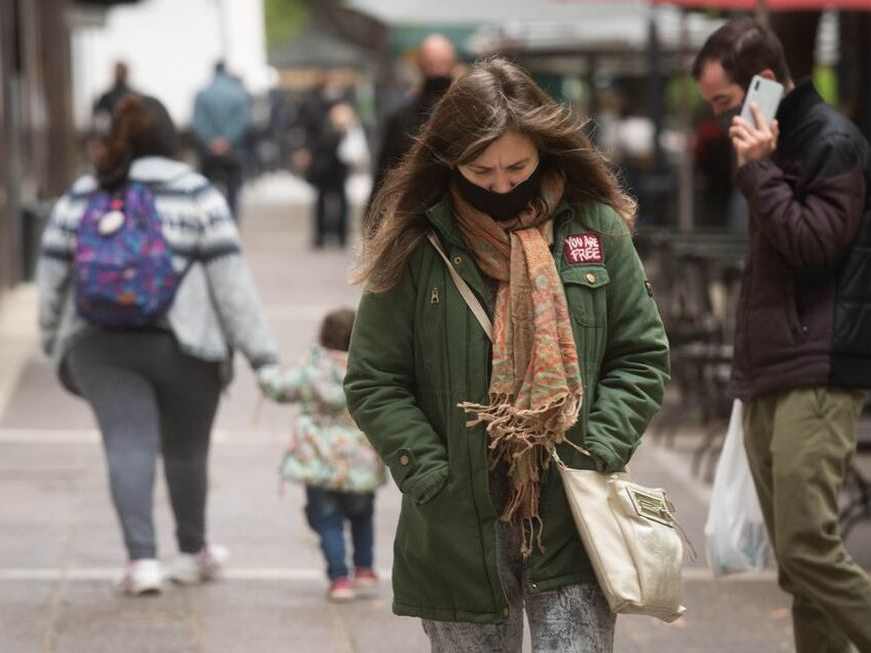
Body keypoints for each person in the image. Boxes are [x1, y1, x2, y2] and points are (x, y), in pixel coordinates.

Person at [344, 57, 670, 652]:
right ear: (448, 160)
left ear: (544, 150)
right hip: (456, 522)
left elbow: (641, 356)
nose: (500, 184)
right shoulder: (418, 242)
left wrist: (597, 448)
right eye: (480, 168)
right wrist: (431, 476)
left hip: (572, 509)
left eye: (517, 166)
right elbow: (373, 379)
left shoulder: (593, 229)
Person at [37, 95, 277, 596]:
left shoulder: (83, 193)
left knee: (128, 444)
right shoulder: (197, 194)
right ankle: (193, 551)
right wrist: (261, 355)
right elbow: (231, 283)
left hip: (99, 342)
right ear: (172, 138)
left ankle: (141, 561)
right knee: (187, 450)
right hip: (187, 345)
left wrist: (50, 337)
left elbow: (53, 275)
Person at [693, 18, 871, 653]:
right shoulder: (772, 144)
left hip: (818, 368)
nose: (718, 119)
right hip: (773, 368)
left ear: (762, 84)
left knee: (808, 546)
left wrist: (759, 172)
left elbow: (815, 247)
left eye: (723, 103)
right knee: (798, 569)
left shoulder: (830, 140)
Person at [257, 309, 386, 602]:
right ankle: (364, 569)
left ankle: (339, 578)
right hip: (360, 461)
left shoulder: (312, 369)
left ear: (322, 336)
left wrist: (263, 370)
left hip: (319, 462)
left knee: (327, 520)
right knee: (363, 516)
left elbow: (278, 388)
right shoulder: (369, 368)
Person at [367, 34, 457, 227]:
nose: (438, 72)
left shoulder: (467, 113)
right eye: (431, 65)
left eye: (443, 64)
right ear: (420, 67)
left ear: (453, 65)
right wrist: (373, 219)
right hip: (414, 219)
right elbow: (385, 171)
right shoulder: (400, 118)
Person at [191, 61, 252, 220]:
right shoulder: (239, 92)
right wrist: (227, 139)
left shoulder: (202, 93)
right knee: (233, 192)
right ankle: (231, 222)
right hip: (233, 151)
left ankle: (209, 220)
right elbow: (244, 120)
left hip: (208, 152)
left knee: (206, 192)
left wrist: (212, 140)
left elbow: (197, 122)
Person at [306, 101, 366, 248]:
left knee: (341, 201)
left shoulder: (349, 128)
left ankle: (341, 235)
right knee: (323, 201)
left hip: (338, 169)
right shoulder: (325, 125)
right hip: (325, 168)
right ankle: (322, 235)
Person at [93, 61, 136, 129]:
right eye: (118, 71)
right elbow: (99, 119)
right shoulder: (106, 97)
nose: (119, 74)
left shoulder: (134, 97)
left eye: (122, 72)